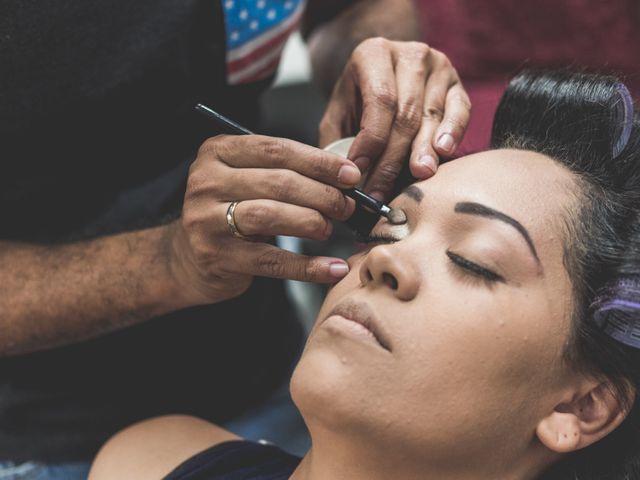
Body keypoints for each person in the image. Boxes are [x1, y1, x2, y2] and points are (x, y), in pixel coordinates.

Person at [88, 70, 640, 479]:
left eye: (475, 261)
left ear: (579, 406)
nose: (383, 260)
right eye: (388, 231)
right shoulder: (146, 460)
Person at [0, 0, 473, 477]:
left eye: (475, 260)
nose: (384, 262)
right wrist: (171, 262)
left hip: (265, 369)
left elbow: (350, 10)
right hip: (48, 425)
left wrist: (376, 70)